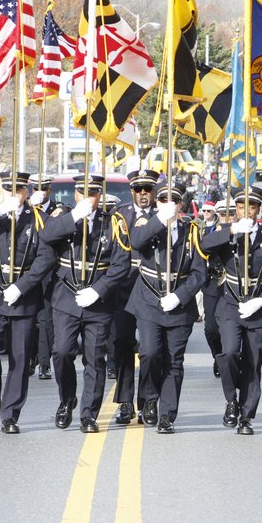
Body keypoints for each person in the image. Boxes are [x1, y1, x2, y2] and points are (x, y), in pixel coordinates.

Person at [39, 174, 131, 433]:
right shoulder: (63, 217)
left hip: (98, 301)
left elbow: (121, 263)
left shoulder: (112, 222)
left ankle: (89, 413)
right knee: (63, 352)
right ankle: (67, 400)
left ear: (99, 196)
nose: (88, 197)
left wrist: (98, 290)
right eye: (83, 192)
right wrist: (74, 218)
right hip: (66, 297)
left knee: (94, 358)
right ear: (75, 193)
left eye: (93, 193)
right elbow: (46, 236)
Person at [0, 174, 55, 434]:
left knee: (21, 357)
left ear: (28, 191)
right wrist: (1, 210)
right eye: (9, 188)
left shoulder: (38, 219)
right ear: (3, 190)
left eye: (20, 189)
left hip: (23, 294)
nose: (15, 193)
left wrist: (21, 286)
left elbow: (46, 258)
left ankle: (10, 413)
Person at [200, 186, 262, 436]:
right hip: (230, 305)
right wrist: (233, 231)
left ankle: (246, 416)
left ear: (258, 210)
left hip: (259, 309)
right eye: (240, 207)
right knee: (228, 354)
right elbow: (204, 245)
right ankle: (231, 400)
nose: (245, 211)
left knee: (252, 363)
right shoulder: (226, 232)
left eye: (251, 207)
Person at [126, 181, 205, 433]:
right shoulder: (146, 224)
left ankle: (167, 414)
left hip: (179, 304)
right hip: (149, 300)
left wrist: (180, 296)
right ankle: (149, 399)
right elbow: (136, 242)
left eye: (173, 200)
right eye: (162, 200)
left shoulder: (191, 231)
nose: (168, 204)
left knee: (173, 360)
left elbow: (199, 273)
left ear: (181, 204)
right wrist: (160, 219)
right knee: (149, 353)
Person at [107, 168, 158, 425]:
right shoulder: (119, 216)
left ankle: (149, 400)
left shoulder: (163, 215)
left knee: (150, 350)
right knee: (122, 345)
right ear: (131, 191)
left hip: (152, 288)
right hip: (124, 288)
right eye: (138, 189)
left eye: (147, 189)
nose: (143, 194)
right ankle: (125, 402)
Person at [29, 173, 60, 379]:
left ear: (50, 190)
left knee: (46, 320)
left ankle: (44, 363)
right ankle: (29, 360)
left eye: (45, 188)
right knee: (29, 320)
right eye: (36, 188)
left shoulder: (59, 210)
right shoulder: (25, 209)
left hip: (49, 271)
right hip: (27, 271)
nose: (41, 192)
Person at [198, 201, 225, 378]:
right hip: (213, 282)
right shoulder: (203, 229)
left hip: (234, 283)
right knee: (210, 329)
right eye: (224, 213)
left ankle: (230, 358)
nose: (226, 217)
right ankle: (218, 356)